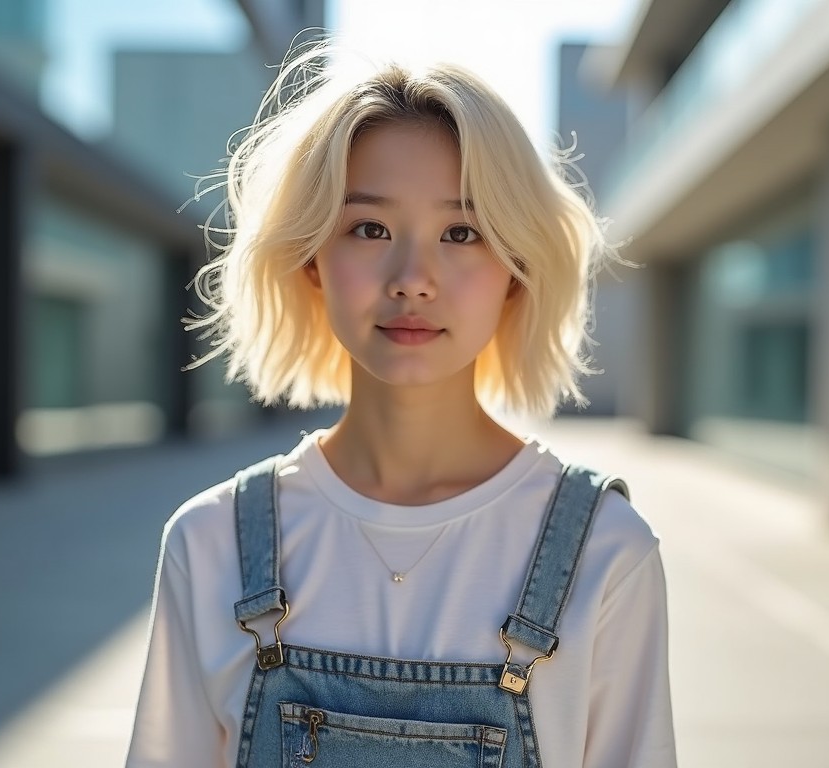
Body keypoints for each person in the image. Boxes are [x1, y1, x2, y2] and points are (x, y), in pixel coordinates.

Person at [125, 41, 676, 768]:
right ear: (310, 259)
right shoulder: (210, 543)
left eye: (462, 232)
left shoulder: (608, 552)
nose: (413, 278)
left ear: (515, 271)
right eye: (369, 228)